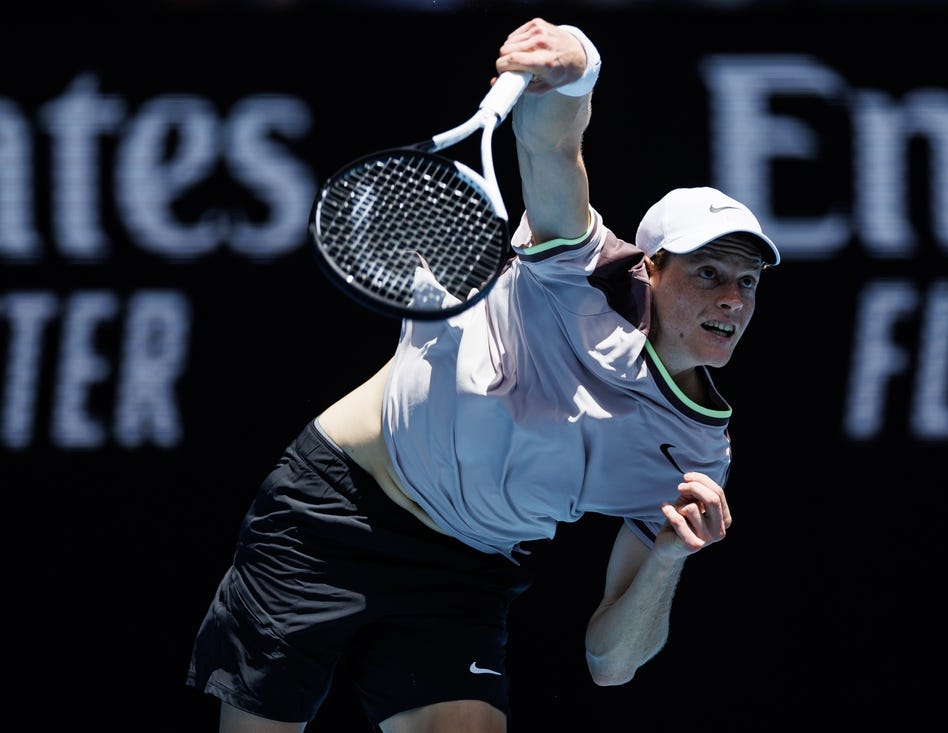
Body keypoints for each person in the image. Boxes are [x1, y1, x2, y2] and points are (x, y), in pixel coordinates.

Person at [186, 16, 780, 733]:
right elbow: (551, 140)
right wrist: (579, 64)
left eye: (746, 283)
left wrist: (666, 558)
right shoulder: (576, 268)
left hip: (463, 568)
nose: (730, 299)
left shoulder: (694, 455)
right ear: (647, 269)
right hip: (331, 510)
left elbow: (610, 662)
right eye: (707, 272)